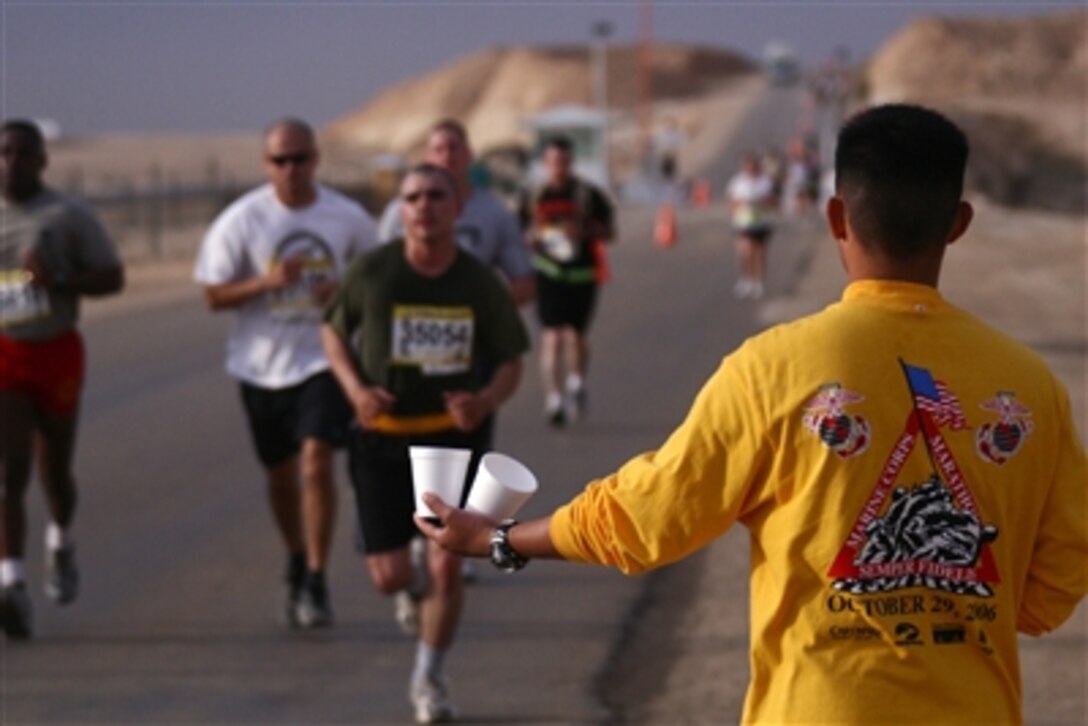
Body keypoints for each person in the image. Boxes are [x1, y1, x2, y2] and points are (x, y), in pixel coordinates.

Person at [417, 105, 1087, 724]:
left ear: (835, 218)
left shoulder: (774, 369)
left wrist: (501, 538)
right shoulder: (1030, 386)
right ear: (959, 223)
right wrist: (960, 605)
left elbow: (650, 515)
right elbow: (1055, 582)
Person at [322, 163, 529, 724]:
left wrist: (483, 401)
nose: (424, 206)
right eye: (412, 197)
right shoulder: (374, 271)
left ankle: (429, 678)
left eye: (436, 196)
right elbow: (332, 332)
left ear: (455, 207)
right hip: (382, 439)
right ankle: (408, 582)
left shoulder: (478, 282)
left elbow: (511, 360)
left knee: (448, 565)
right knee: (390, 575)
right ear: (402, 208)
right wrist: (356, 390)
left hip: (451, 441)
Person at [194, 118, 378, 629]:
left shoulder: (347, 217)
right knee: (279, 478)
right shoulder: (243, 220)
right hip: (260, 366)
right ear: (265, 164)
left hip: (323, 358)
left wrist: (342, 292)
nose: (291, 169)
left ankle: (317, 579)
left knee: (317, 462)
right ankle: (296, 556)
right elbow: (213, 294)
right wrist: (267, 282)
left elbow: (378, 280)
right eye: (280, 160)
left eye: (300, 158)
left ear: (316, 159)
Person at [377, 118, 534, 622]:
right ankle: (413, 548)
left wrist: (485, 314)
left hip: (470, 355)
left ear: (468, 155)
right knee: (401, 460)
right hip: (406, 356)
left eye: (454, 147)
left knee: (462, 450)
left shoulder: (493, 215)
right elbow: (373, 283)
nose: (446, 155)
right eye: (437, 147)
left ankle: (455, 538)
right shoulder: (398, 210)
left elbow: (522, 278)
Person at [0, 119, 125, 639]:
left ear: (43, 160)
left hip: (56, 352)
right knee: (9, 471)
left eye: (25, 153)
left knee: (55, 473)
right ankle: (12, 586)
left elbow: (113, 276)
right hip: (5, 351)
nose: (12, 162)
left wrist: (61, 281)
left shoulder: (68, 215)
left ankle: (62, 539)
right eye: (4, 153)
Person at [523, 136, 615, 427]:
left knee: (576, 336)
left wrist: (584, 230)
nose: (558, 167)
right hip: (548, 274)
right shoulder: (535, 196)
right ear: (545, 163)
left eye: (564, 161)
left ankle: (577, 383)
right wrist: (534, 240)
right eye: (553, 162)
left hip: (582, 275)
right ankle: (554, 398)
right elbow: (519, 233)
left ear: (571, 162)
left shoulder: (587, 195)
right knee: (551, 338)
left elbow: (611, 232)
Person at [726, 151, 776, 300]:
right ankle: (746, 279)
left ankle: (758, 281)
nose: (749, 168)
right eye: (746, 166)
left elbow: (772, 201)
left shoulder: (765, 182)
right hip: (743, 222)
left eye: (752, 166)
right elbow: (732, 203)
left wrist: (760, 203)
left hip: (761, 221)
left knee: (759, 253)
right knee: (746, 251)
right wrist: (742, 204)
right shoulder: (737, 182)